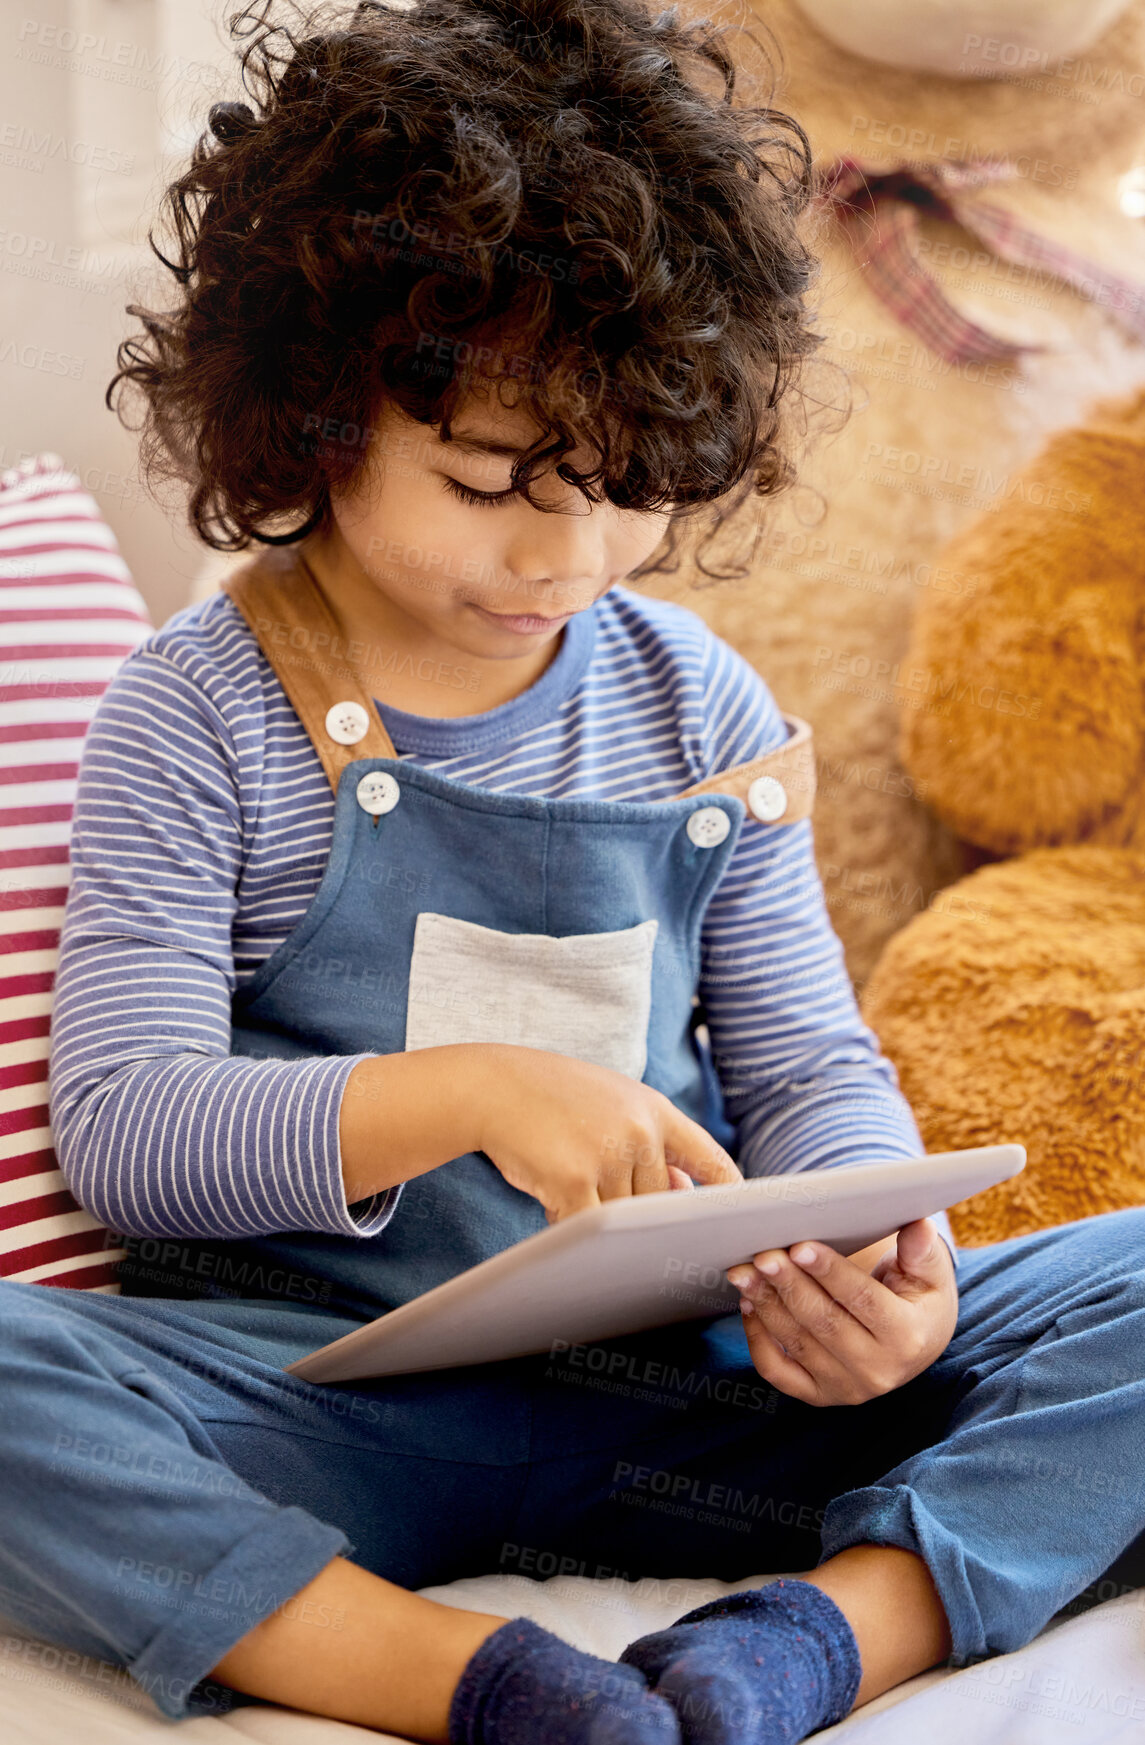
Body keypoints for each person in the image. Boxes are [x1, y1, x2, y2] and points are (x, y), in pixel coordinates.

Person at [3, 2, 1143, 1741]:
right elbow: (132, 1128)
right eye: (486, 481)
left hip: (693, 1408)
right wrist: (461, 1094)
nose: (562, 553)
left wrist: (870, 1267)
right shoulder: (203, 708)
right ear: (308, 411)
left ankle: (824, 1636)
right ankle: (464, 1681)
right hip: (328, 1408)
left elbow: (807, 1065)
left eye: (624, 492)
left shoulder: (701, 701)